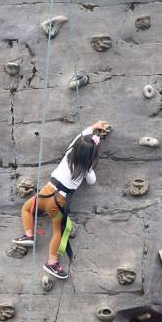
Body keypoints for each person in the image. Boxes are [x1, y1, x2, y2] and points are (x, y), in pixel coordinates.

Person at [13, 120, 111, 281]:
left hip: (46, 192)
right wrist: (90, 167)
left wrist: (93, 126)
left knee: (26, 208)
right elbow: (92, 181)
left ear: (76, 147)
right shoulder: (86, 169)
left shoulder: (69, 152)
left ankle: (29, 235)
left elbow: (79, 137)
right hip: (58, 202)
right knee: (57, 231)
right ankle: (52, 262)